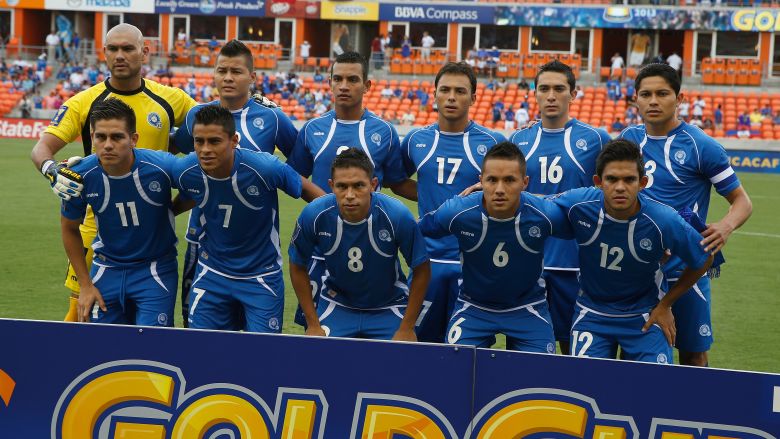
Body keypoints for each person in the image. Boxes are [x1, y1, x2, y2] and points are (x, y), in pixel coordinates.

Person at [30, 23, 197, 322]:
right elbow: (42, 148)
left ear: (144, 52)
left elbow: (214, 129)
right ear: (104, 53)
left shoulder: (173, 100)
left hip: (151, 233)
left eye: (128, 48)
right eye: (113, 49)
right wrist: (52, 170)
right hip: (96, 230)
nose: (120, 55)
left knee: (148, 330)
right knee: (80, 316)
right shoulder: (84, 102)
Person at [620, 63, 752, 366]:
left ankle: (694, 412)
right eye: (646, 94)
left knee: (692, 352)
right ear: (636, 99)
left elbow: (742, 201)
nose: (653, 101)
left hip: (686, 272)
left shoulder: (701, 145)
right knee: (631, 351)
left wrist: (726, 226)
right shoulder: (627, 139)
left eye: (662, 93)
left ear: (679, 98)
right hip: (635, 270)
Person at [552, 139, 714, 364]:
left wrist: (666, 304)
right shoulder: (580, 203)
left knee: (653, 390)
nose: (620, 187)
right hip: (592, 315)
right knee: (586, 386)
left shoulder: (663, 219)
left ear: (643, 182)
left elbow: (705, 257)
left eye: (629, 180)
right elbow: (539, 205)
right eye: (612, 179)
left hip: (645, 317)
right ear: (598, 182)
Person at [173, 39, 298, 326]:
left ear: (252, 77)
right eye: (222, 70)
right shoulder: (197, 116)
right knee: (196, 326)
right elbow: (179, 155)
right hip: (203, 238)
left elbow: (297, 165)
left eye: (236, 71)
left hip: (256, 243)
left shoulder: (272, 117)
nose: (228, 77)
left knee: (255, 336)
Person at [287, 51, 416, 328]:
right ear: (330, 83)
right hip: (321, 248)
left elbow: (397, 182)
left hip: (369, 245)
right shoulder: (312, 129)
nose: (344, 85)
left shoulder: (385, 131)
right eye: (339, 79)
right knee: (316, 334)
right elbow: (294, 176)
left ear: (367, 85)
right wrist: (330, 202)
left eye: (353, 79)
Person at [173, 105, 323, 332]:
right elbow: (189, 194)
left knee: (263, 356)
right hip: (211, 273)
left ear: (234, 140)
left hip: (261, 276)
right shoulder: (187, 169)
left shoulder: (265, 167)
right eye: (198, 141)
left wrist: (343, 220)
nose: (204, 150)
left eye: (214, 141)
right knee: (204, 352)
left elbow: (312, 193)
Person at [420, 142, 570, 352]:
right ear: (480, 181)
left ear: (525, 182)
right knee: (453, 371)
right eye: (492, 180)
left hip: (528, 307)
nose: (500, 189)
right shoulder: (457, 211)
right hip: (473, 307)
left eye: (509, 180)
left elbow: (585, 227)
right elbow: (415, 231)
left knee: (540, 377)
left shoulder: (544, 214)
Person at [509, 60, 611, 354]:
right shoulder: (519, 139)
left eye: (558, 89)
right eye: (544, 89)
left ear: (574, 93)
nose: (551, 95)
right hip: (527, 259)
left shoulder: (595, 138)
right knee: (525, 346)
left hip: (574, 262)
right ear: (535, 93)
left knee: (572, 347)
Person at [401, 62, 507, 343]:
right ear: (433, 94)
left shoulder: (492, 142)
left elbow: (509, 191)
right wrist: (431, 198)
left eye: (460, 91)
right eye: (444, 90)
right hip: (427, 262)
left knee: (467, 352)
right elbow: (396, 180)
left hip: (472, 264)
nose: (451, 97)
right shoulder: (415, 139)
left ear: (473, 98)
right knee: (417, 346)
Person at [61, 99, 185, 327]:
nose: (108, 145)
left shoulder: (162, 166)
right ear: (92, 137)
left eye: (117, 137)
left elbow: (199, 183)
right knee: (101, 348)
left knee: (152, 347)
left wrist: (172, 209)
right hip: (106, 268)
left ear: (133, 139)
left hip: (155, 269)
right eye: (101, 137)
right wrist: (86, 286)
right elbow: (69, 228)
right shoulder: (79, 175)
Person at [290, 148, 430, 340]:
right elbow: (297, 265)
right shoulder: (314, 214)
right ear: (331, 186)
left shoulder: (397, 215)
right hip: (337, 304)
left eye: (358, 186)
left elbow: (421, 268)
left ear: (373, 184)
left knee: (397, 364)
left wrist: (406, 327)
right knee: (320, 360)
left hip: (389, 306)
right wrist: (313, 323)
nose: (349, 194)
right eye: (342, 186)